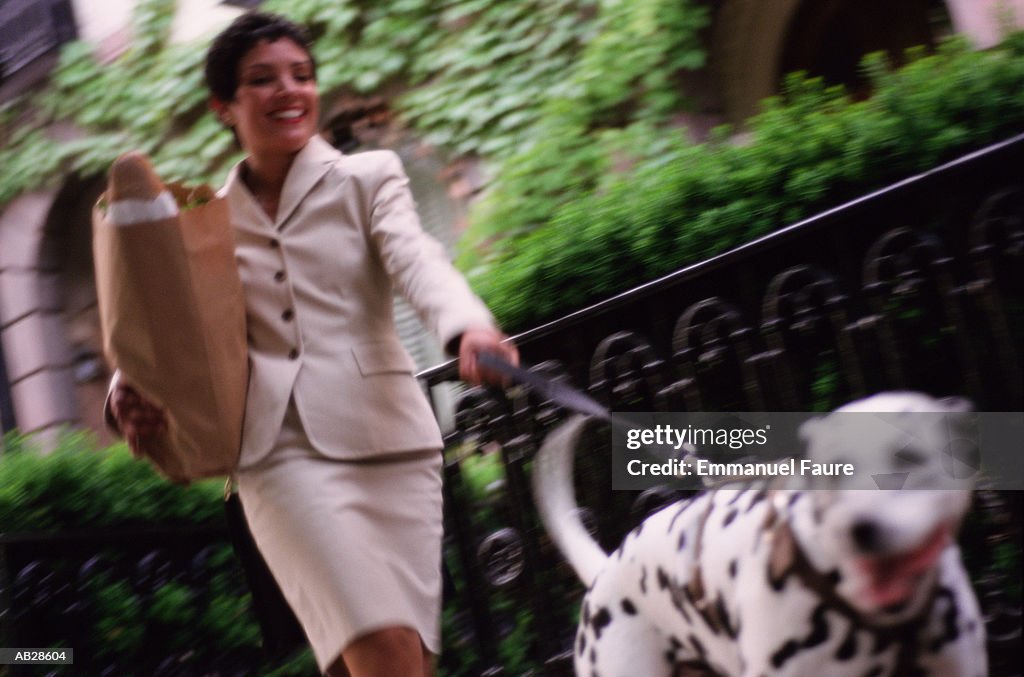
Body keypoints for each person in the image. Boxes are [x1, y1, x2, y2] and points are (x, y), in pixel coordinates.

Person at [109, 11, 517, 677]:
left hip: (391, 443)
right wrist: (124, 394)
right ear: (224, 106)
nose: (288, 91)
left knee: (399, 657)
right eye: (262, 80)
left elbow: (418, 259)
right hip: (277, 455)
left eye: (302, 75)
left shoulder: (370, 176)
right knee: (382, 646)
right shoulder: (200, 220)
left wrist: (466, 324)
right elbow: (159, 327)